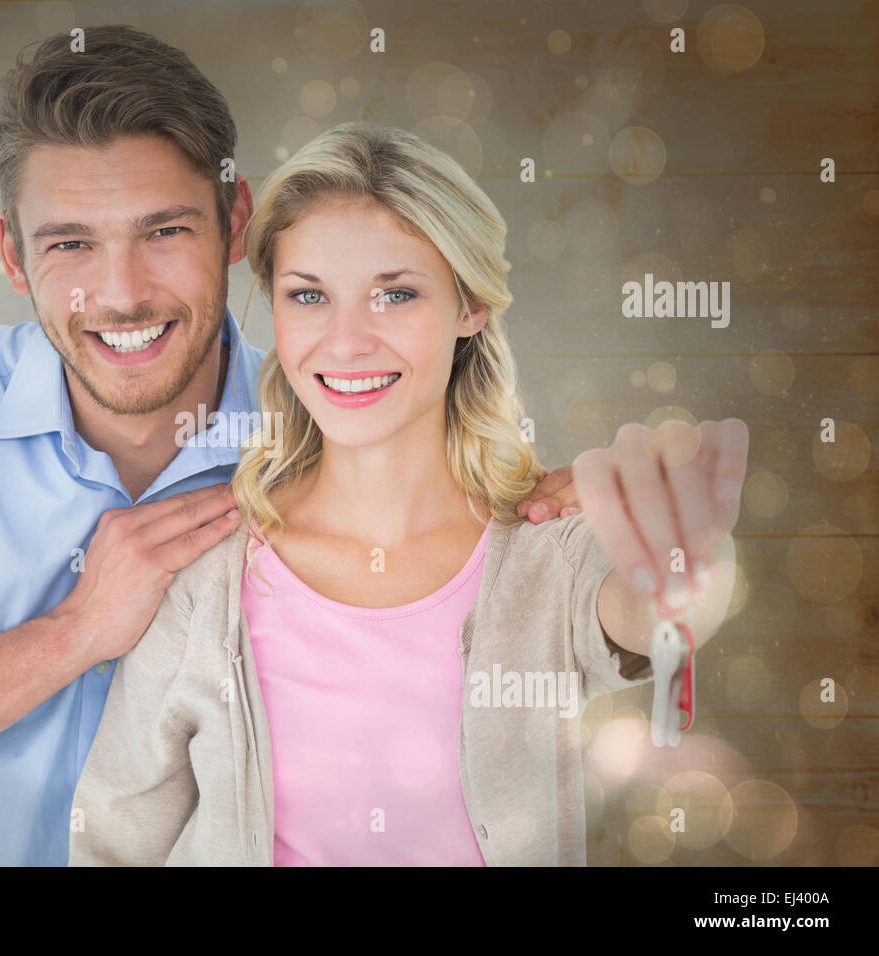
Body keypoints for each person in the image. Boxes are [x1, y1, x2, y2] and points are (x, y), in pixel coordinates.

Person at [0, 27, 580, 865]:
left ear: (236, 222)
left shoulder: (344, 415)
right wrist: (75, 632)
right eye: (71, 244)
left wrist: (561, 517)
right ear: (13, 254)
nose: (121, 294)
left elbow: (486, 568)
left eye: (164, 232)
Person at [68, 122, 748, 866]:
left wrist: (684, 554)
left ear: (471, 307)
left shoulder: (547, 548)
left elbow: (651, 619)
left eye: (394, 294)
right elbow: (113, 833)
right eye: (309, 296)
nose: (348, 340)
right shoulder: (207, 576)